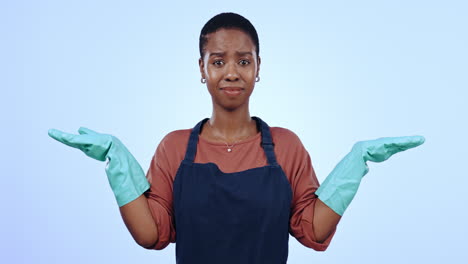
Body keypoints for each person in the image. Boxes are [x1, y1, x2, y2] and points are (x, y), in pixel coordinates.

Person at [48, 12, 425, 264]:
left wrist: (354, 164)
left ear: (258, 68)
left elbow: (313, 231)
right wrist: (118, 162)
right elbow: (152, 235)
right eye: (218, 61)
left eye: (244, 61)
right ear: (202, 68)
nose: (231, 72)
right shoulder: (175, 147)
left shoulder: (285, 146)